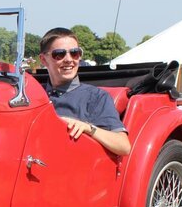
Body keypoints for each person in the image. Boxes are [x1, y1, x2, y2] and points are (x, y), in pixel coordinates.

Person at [39, 27, 131, 156]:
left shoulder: (96, 97)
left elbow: (123, 146)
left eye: (74, 53)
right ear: (44, 60)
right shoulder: (34, 94)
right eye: (59, 54)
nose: (69, 59)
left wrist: (87, 128)